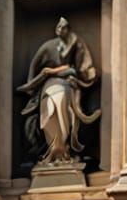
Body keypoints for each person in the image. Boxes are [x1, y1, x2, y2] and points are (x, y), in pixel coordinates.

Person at [17, 18, 100, 165]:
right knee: (48, 114)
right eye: (59, 27)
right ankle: (54, 150)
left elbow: (82, 69)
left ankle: (64, 150)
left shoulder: (76, 43)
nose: (61, 29)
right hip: (48, 88)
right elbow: (35, 68)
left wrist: (70, 73)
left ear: (68, 29)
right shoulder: (48, 47)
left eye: (64, 27)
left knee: (66, 114)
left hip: (70, 87)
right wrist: (37, 82)